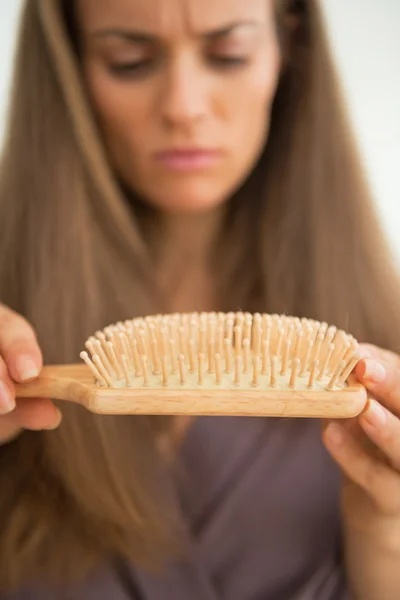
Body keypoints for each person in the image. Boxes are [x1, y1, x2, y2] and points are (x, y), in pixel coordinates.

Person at [0, 0, 399, 598]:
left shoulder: (384, 338)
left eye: (227, 54)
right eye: (129, 61)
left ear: (286, 49)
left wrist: (385, 542)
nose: (184, 107)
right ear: (71, 67)